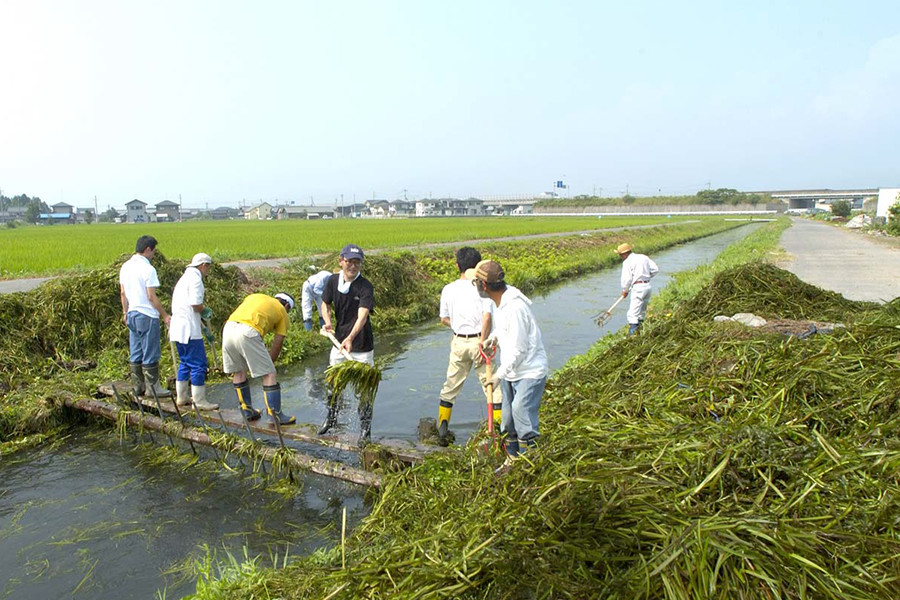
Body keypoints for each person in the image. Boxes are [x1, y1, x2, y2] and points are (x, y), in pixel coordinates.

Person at [474, 260, 548, 466]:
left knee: (521, 414)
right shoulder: (501, 301)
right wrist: (494, 338)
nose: (477, 287)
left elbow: (519, 349)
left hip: (529, 371)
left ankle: (529, 462)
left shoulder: (515, 307)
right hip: (512, 371)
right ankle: (512, 458)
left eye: (477, 283)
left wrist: (498, 376)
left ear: (485, 286)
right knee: (507, 419)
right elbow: (504, 329)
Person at [435, 247, 501, 446]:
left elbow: (443, 319)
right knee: (492, 386)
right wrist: (483, 339)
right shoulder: (481, 287)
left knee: (451, 386)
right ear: (479, 266)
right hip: (479, 342)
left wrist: (457, 325)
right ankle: (497, 431)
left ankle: (442, 429)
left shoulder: (449, 288)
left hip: (459, 342)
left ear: (457, 266)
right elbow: (487, 317)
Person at [317, 243, 376, 446]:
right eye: (350, 261)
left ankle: (365, 431)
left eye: (357, 262)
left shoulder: (365, 286)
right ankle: (331, 418)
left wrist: (350, 338)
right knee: (334, 383)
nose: (353, 266)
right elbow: (325, 303)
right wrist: (327, 321)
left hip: (361, 344)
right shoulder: (333, 281)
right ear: (341, 261)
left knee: (364, 390)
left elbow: (362, 316)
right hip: (339, 343)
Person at [222, 292, 296, 425]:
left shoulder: (255, 297)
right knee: (269, 374)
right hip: (248, 331)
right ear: (286, 305)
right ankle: (275, 416)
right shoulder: (282, 311)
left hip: (228, 328)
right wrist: (269, 364)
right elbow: (278, 342)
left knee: (239, 371)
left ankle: (247, 411)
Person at [119, 235, 171, 399]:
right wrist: (164, 315)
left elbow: (122, 293)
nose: (154, 255)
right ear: (147, 249)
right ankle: (153, 388)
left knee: (136, 351)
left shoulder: (125, 267)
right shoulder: (148, 269)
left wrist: (125, 312)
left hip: (132, 314)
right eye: (154, 252)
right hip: (146, 315)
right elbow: (151, 296)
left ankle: (138, 386)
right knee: (150, 351)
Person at [168, 252, 218, 411]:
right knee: (198, 364)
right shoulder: (196, 279)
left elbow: (187, 309)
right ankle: (199, 400)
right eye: (208, 268)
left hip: (178, 328)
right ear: (204, 265)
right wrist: (205, 310)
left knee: (185, 363)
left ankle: (182, 397)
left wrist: (205, 329)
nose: (207, 272)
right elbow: (195, 304)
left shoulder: (183, 279)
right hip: (188, 330)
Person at [614, 243, 659, 335]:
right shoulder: (643, 257)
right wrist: (645, 277)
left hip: (638, 288)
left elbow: (627, 280)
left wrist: (625, 291)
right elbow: (655, 269)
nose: (620, 256)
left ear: (625, 254)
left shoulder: (627, 262)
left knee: (632, 314)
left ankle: (632, 336)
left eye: (620, 254)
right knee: (642, 311)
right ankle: (641, 331)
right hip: (647, 287)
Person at [301, 267, 332, 331]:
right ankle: (308, 331)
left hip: (319, 291)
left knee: (322, 309)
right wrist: (326, 296)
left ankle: (324, 329)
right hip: (309, 288)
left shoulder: (334, 281)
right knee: (307, 309)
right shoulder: (325, 276)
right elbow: (316, 289)